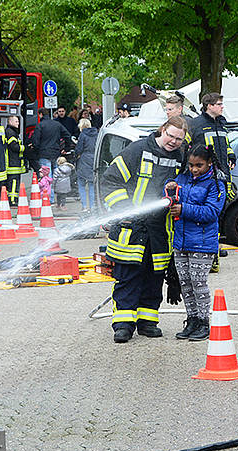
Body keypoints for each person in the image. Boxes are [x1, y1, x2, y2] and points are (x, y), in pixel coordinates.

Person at [100, 116, 187, 343]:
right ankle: (123, 325)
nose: (173, 142)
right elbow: (110, 180)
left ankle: (148, 322)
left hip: (160, 230)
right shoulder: (137, 150)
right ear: (162, 130)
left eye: (179, 139)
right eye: (171, 136)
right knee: (128, 277)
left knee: (153, 277)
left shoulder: (181, 158)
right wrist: (124, 208)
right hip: (131, 227)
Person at [164, 144, 226, 341]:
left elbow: (212, 212)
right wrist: (168, 189)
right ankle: (191, 320)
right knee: (186, 284)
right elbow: (170, 196)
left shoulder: (216, 184)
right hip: (181, 242)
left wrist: (184, 210)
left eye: (199, 165)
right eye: (191, 165)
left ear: (209, 163)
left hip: (202, 243)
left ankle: (203, 322)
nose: (194, 169)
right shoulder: (182, 179)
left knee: (199, 283)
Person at [188, 92, 236, 272]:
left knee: (218, 216)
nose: (222, 107)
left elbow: (227, 144)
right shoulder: (197, 125)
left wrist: (231, 155)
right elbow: (190, 150)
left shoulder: (221, 124)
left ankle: (213, 254)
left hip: (223, 177)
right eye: (219, 104)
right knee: (208, 217)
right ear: (209, 106)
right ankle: (209, 257)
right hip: (207, 179)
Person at [30, 107, 72, 203]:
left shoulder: (40, 125)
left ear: (40, 114)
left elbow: (35, 141)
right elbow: (67, 136)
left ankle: (48, 199)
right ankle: (57, 199)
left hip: (44, 154)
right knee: (56, 177)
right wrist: (66, 148)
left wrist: (36, 150)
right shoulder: (57, 124)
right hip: (56, 153)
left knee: (46, 178)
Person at [74, 118, 97, 212]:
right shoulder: (97, 133)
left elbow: (78, 149)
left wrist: (76, 156)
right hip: (93, 159)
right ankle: (92, 206)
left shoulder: (82, 135)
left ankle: (84, 206)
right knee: (92, 184)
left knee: (81, 184)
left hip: (84, 160)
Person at [4, 115, 26, 205]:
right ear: (10, 122)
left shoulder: (11, 132)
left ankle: (12, 199)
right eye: (16, 121)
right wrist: (24, 148)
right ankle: (12, 200)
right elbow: (14, 147)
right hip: (12, 163)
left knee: (13, 182)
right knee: (13, 182)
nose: (18, 123)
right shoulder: (10, 132)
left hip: (14, 162)